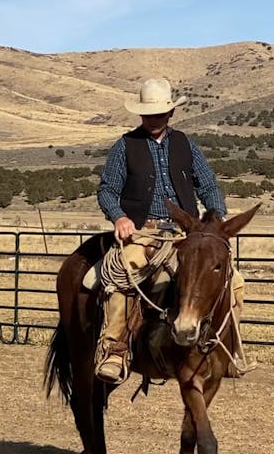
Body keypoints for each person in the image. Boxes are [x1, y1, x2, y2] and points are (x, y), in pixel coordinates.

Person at [92, 77, 247, 384]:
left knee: (235, 280)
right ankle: (115, 349)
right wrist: (120, 217)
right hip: (144, 231)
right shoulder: (125, 146)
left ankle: (227, 348)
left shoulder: (185, 145)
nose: (153, 119)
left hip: (185, 232)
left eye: (159, 114)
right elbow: (107, 190)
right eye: (148, 114)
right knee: (123, 276)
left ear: (170, 113)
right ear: (140, 115)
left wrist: (215, 222)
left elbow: (209, 185)